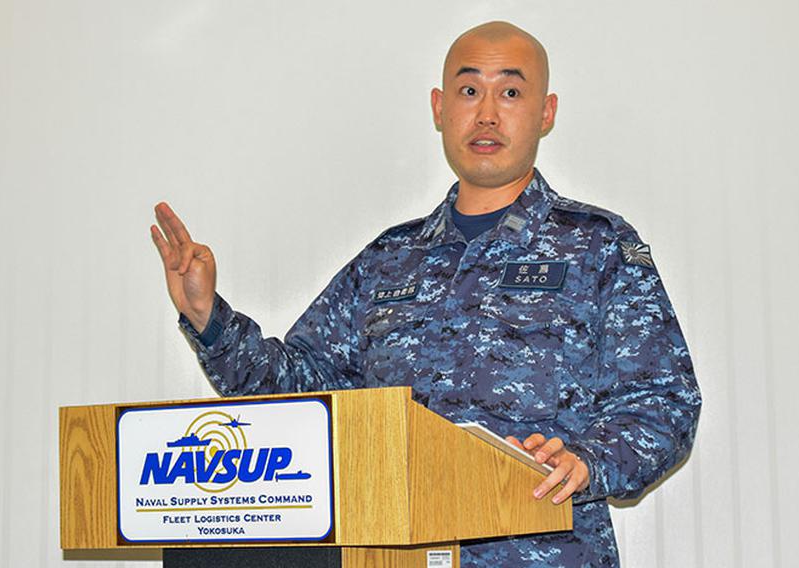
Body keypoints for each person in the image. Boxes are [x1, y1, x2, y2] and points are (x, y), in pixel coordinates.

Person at [151, 21, 701, 567]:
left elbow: (663, 403)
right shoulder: (389, 260)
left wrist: (586, 460)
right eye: (468, 91)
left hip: (543, 553)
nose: (486, 113)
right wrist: (209, 319)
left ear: (546, 112)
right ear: (440, 108)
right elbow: (302, 395)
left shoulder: (596, 247)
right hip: (394, 554)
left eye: (510, 92)